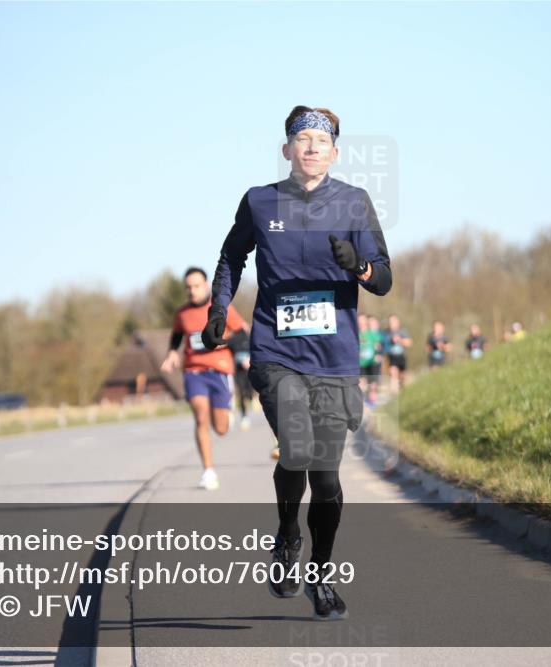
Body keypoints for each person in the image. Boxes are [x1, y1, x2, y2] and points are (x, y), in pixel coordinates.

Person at [202, 105, 392, 621]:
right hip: (276, 352)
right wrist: (220, 307)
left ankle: (321, 575)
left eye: (320, 140)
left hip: (334, 359)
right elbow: (230, 257)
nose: (311, 147)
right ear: (286, 150)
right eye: (301, 138)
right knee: (297, 447)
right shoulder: (260, 201)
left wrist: (361, 265)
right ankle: (287, 534)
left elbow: (383, 279)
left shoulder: (354, 203)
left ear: (334, 152)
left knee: (327, 477)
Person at [160, 266, 248, 491]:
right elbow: (177, 335)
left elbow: (241, 331)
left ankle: (226, 413)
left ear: (206, 285)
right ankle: (208, 471)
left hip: (220, 370)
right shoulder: (182, 314)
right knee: (200, 417)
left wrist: (244, 354)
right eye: (188, 287)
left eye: (196, 286)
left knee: (220, 429)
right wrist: (171, 353)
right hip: (194, 371)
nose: (192, 291)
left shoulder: (221, 308)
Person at [358, 314, 383, 407]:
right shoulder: (356, 334)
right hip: (361, 363)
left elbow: (378, 346)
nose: (361, 323)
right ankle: (362, 405)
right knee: (361, 384)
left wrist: (378, 354)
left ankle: (374, 405)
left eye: (363, 321)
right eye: (359, 321)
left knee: (373, 385)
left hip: (372, 363)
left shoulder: (372, 334)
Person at [384, 314, 412, 392]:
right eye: (390, 322)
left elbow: (409, 343)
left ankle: (402, 389)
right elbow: (383, 344)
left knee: (402, 376)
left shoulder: (402, 332)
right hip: (391, 357)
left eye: (393, 321)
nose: (392, 324)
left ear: (398, 322)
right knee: (393, 372)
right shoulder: (386, 333)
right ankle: (394, 393)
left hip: (401, 356)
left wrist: (399, 340)